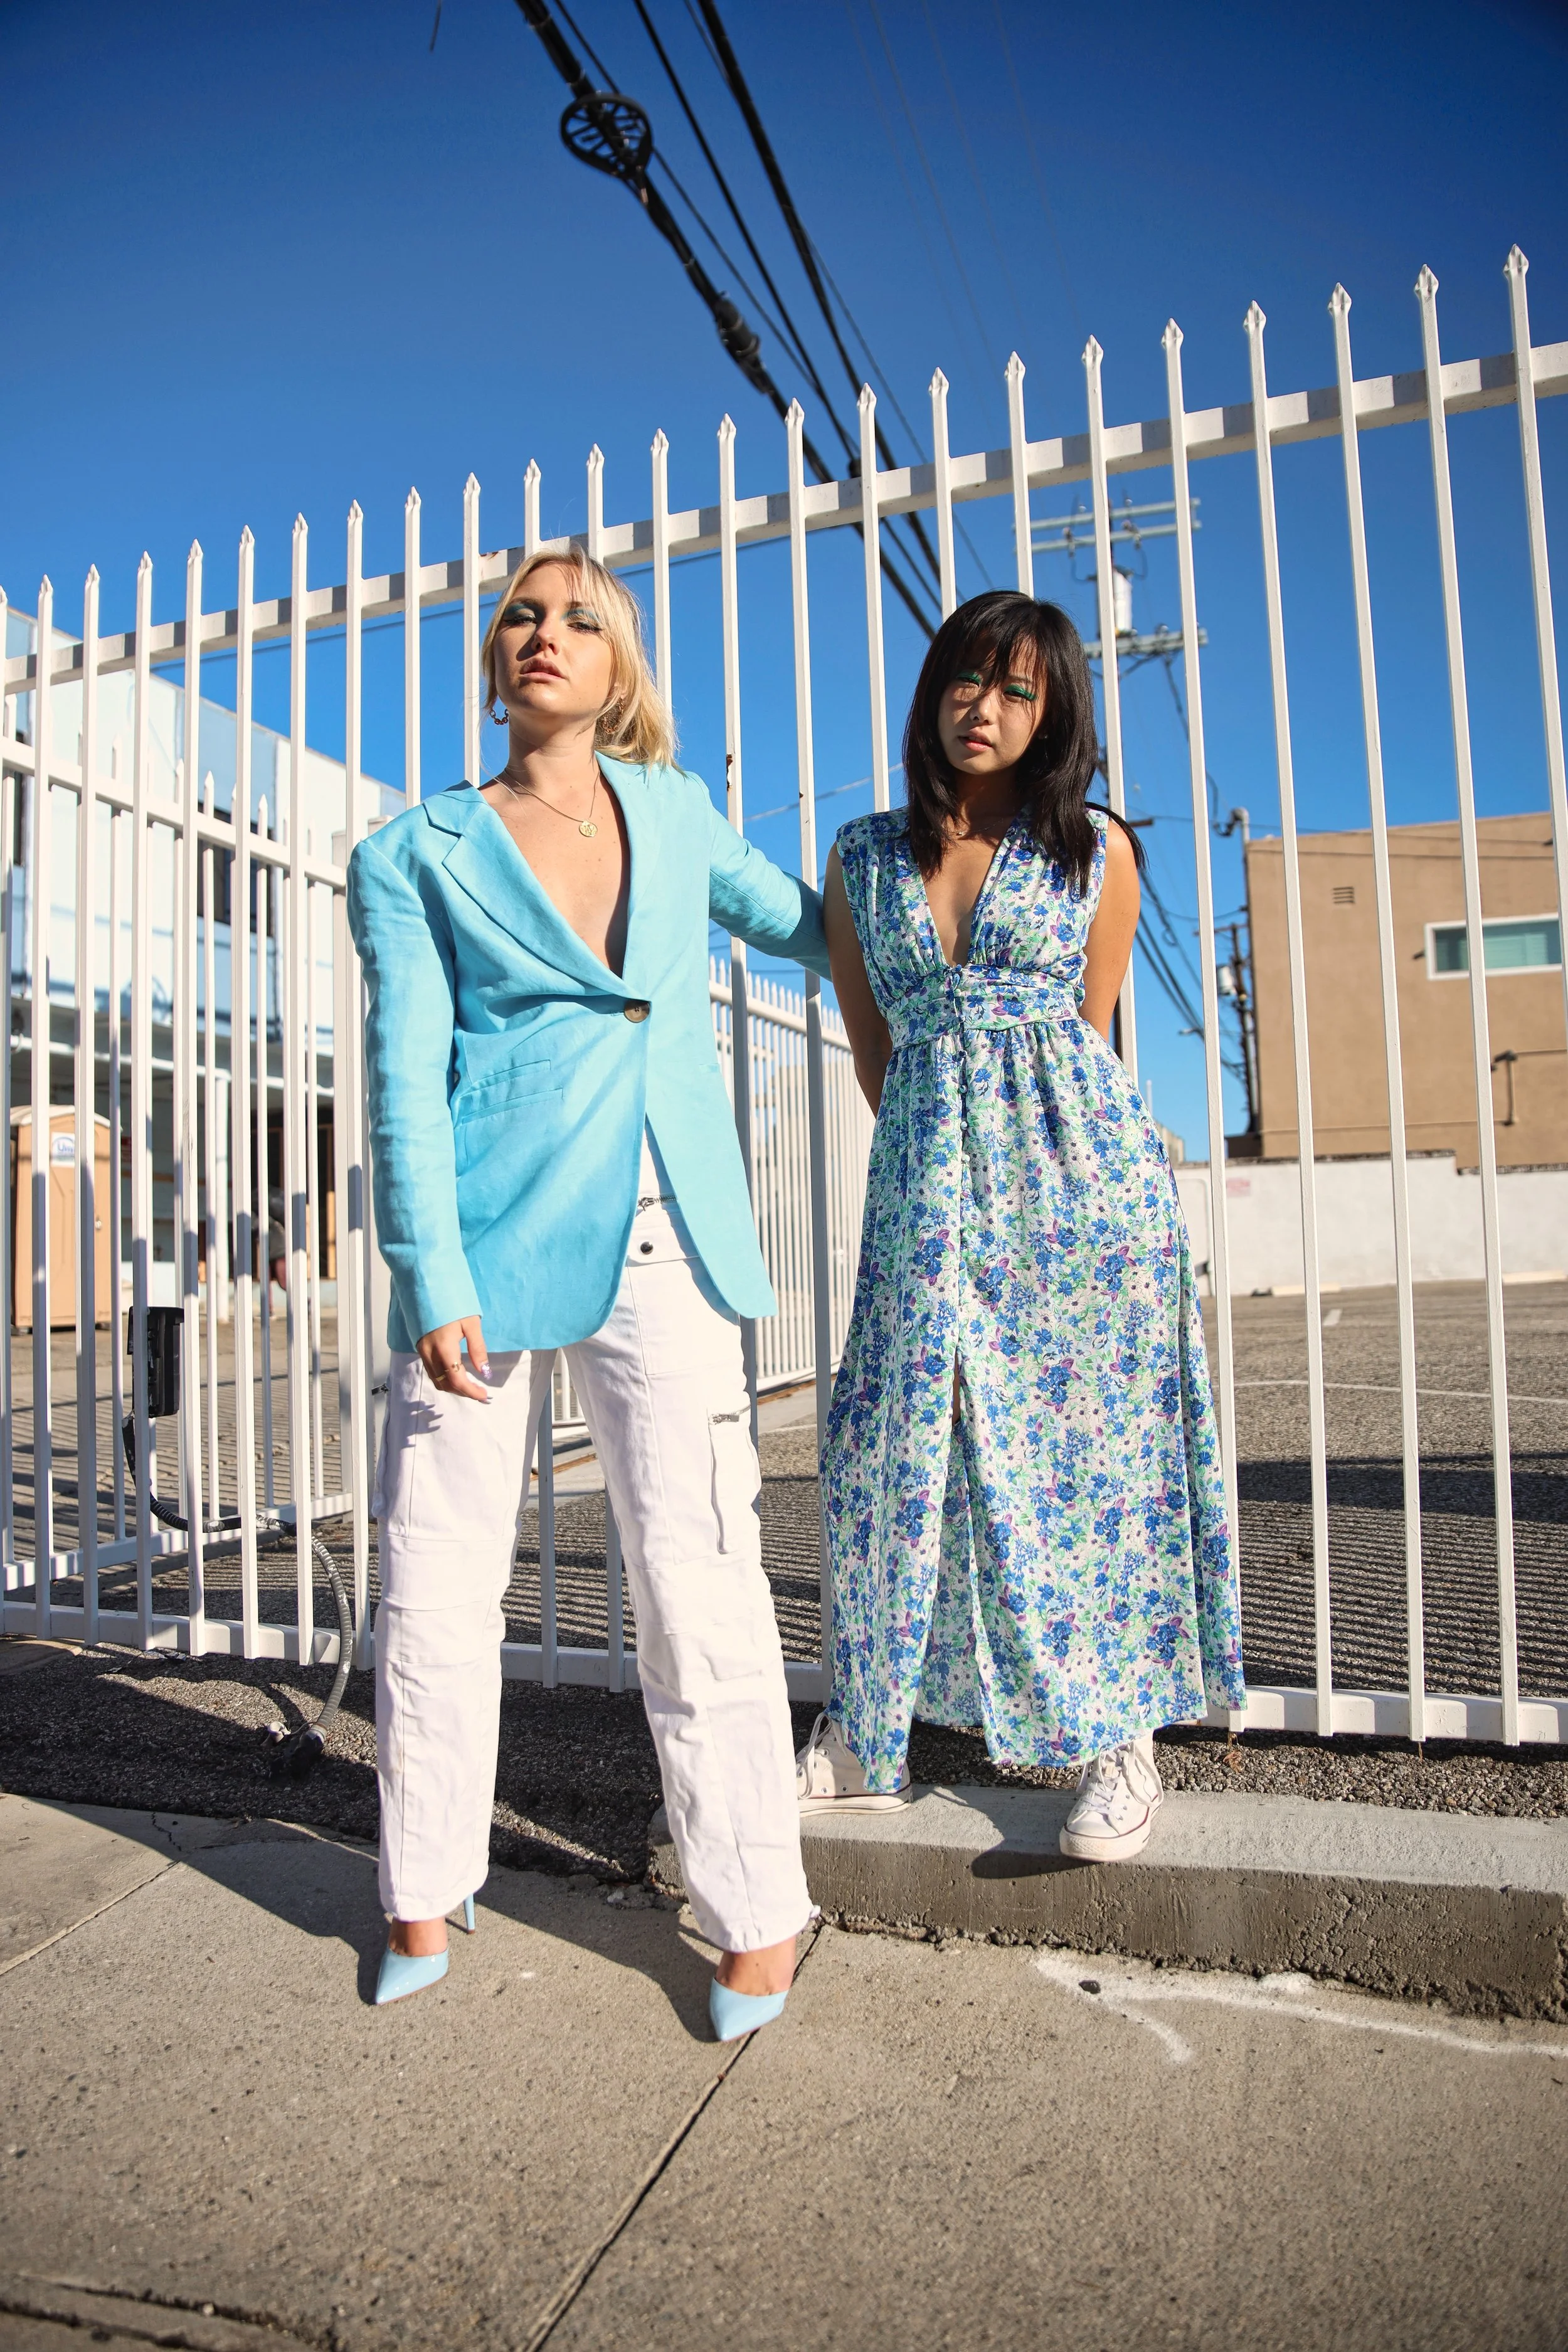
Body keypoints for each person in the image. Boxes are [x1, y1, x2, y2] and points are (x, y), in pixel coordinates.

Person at [347, 548, 825, 2035]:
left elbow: (815, 924)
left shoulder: (675, 814)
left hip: (665, 1244)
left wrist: (957, 875)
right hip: (482, 1256)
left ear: (621, 665)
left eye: (578, 619)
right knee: (434, 1581)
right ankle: (421, 1891)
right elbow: (403, 1086)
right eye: (519, 615)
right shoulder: (412, 849)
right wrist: (427, 1272)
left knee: (697, 1573)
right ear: (491, 656)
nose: (540, 633)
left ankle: (756, 1911)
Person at [801, 591, 1246, 1859]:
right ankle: (864, 1731)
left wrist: (1027, 1160)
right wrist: (946, 1160)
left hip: (1077, 1202)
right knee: (891, 1448)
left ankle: (1121, 1744)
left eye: (1013, 690)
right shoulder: (862, 857)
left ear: (1050, 715)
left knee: (1092, 1457)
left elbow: (1089, 1033)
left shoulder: (1093, 850)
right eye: (960, 680)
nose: (978, 708)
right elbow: (876, 1048)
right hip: (923, 1195)